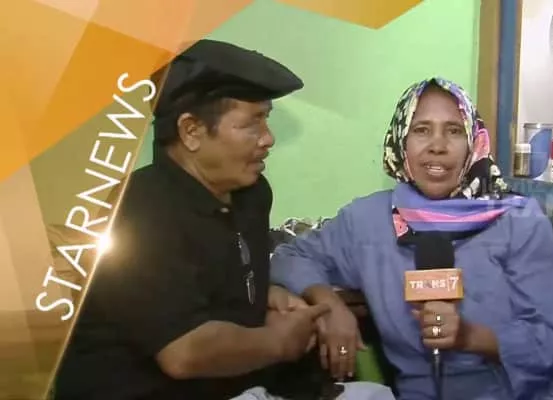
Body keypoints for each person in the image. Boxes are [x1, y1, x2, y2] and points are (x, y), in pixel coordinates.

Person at [53, 39, 393, 400]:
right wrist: (278, 342)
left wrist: (271, 297)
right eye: (253, 123)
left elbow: (220, 284)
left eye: (267, 119)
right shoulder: (137, 211)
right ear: (191, 131)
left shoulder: (251, 195)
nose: (268, 139)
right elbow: (185, 353)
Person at [270, 78, 553, 399]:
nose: (437, 145)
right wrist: (329, 306)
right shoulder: (368, 220)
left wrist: (469, 337)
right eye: (422, 130)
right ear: (401, 141)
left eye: (454, 131)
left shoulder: (519, 220)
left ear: (474, 142)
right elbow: (291, 257)